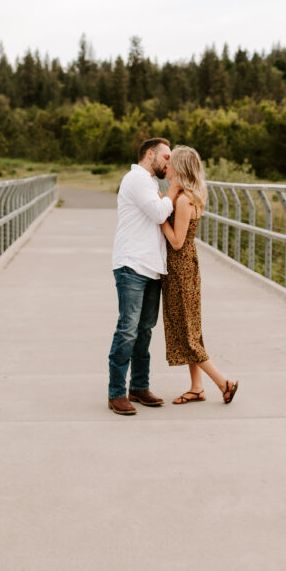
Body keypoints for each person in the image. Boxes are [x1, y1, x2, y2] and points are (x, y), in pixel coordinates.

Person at [107, 137, 180, 415]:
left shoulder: (150, 183)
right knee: (127, 330)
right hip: (132, 265)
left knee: (144, 330)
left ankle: (138, 387)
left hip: (151, 267)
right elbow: (160, 212)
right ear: (150, 155)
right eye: (166, 157)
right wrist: (174, 189)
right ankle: (116, 393)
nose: (169, 163)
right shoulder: (136, 179)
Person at [161, 146, 238, 405]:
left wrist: (161, 220)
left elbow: (176, 242)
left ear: (180, 168)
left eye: (171, 163)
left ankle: (223, 383)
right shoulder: (187, 196)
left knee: (187, 333)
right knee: (191, 329)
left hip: (181, 271)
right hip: (186, 269)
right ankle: (196, 387)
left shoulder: (183, 201)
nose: (166, 167)